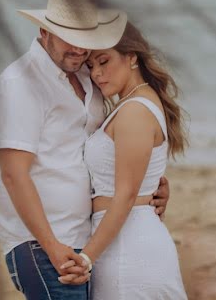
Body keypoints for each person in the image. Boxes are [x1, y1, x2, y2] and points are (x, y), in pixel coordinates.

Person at [0, 0, 169, 300]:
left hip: (86, 240)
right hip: (43, 245)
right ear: (45, 31)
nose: (79, 49)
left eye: (85, 39)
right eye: (69, 37)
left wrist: (150, 184)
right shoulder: (19, 84)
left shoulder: (89, 78)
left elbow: (101, 150)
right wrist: (52, 247)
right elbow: (12, 175)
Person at [68, 22, 188, 298]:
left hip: (128, 250)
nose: (96, 73)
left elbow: (126, 195)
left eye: (103, 61)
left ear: (132, 56)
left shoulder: (135, 110)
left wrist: (86, 258)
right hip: (125, 240)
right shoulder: (132, 103)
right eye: (90, 66)